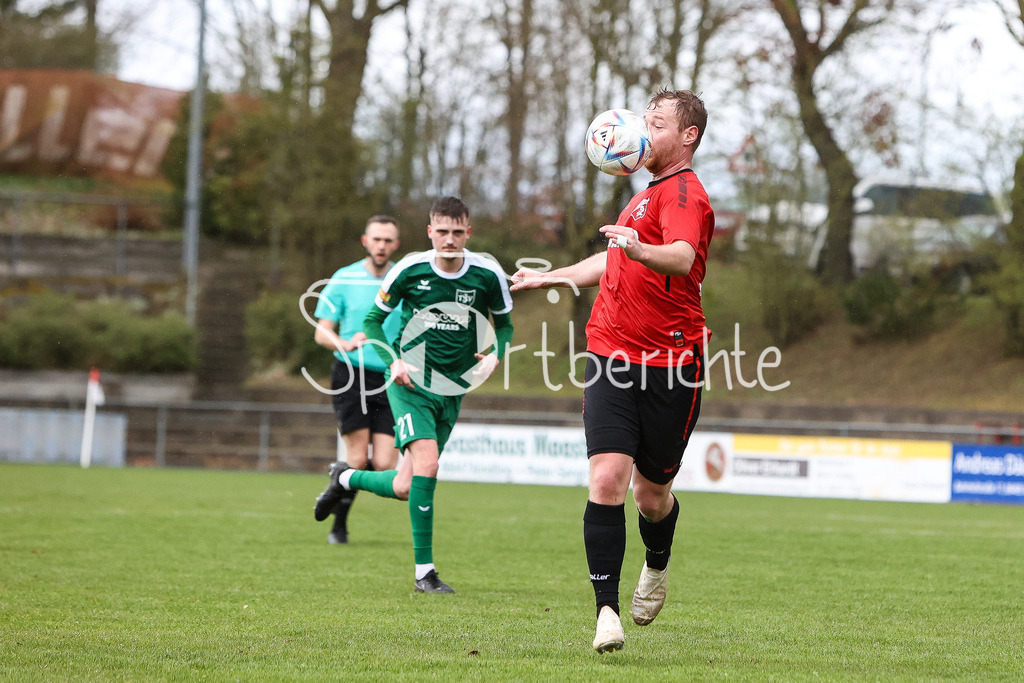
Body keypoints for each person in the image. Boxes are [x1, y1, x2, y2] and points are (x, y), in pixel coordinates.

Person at [511, 89, 714, 653]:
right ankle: (606, 613)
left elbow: (678, 255)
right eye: (643, 119)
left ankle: (658, 560)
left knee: (652, 497)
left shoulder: (685, 196)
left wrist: (639, 249)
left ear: (687, 136)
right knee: (606, 479)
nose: (644, 129)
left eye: (658, 122)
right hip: (611, 354)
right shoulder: (642, 196)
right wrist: (550, 277)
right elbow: (613, 259)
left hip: (672, 364)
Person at [314, 196, 514, 593]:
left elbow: (505, 327)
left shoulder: (487, 275)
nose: (450, 239)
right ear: (429, 232)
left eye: (458, 232)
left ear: (468, 233)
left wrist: (496, 356)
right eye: (442, 231)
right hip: (408, 385)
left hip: (451, 389)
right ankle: (425, 572)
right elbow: (373, 321)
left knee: (407, 484)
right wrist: (393, 361)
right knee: (429, 463)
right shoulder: (410, 270)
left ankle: (346, 477)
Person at [311, 216, 403, 544]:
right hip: (350, 372)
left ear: (397, 244)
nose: (382, 246)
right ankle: (339, 527)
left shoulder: (401, 280)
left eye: (388, 240)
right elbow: (322, 330)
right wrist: (343, 343)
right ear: (365, 241)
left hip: (391, 377)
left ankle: (339, 478)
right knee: (358, 458)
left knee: (382, 464)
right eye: (376, 239)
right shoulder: (344, 278)